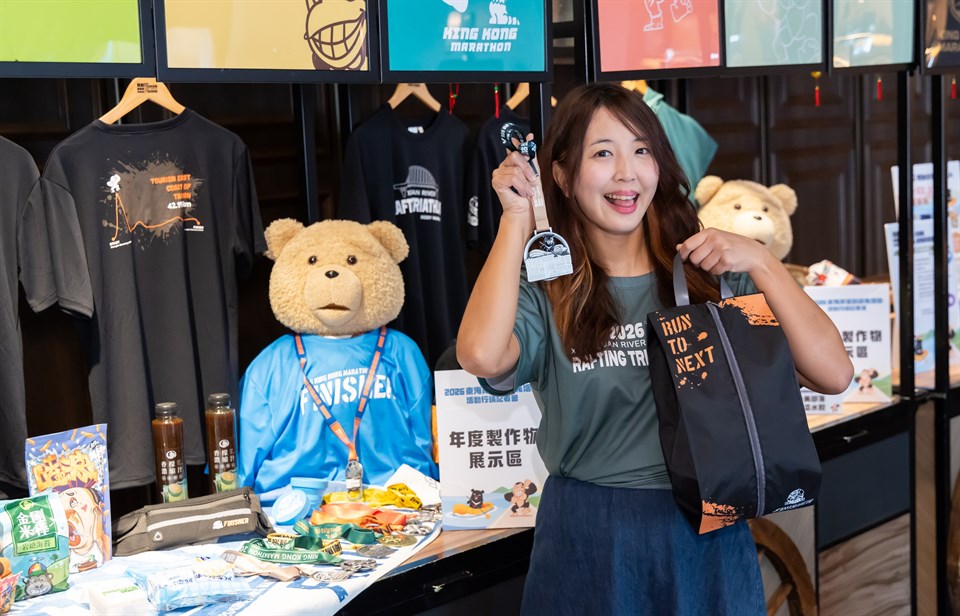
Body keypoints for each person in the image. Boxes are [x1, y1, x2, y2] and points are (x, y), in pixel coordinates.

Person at [456, 83, 852, 614]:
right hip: (590, 540)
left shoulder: (710, 276)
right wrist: (515, 219)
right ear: (562, 176)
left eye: (642, 150)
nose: (627, 173)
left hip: (708, 537)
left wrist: (763, 262)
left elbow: (833, 373)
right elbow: (480, 356)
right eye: (603, 154)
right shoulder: (550, 289)